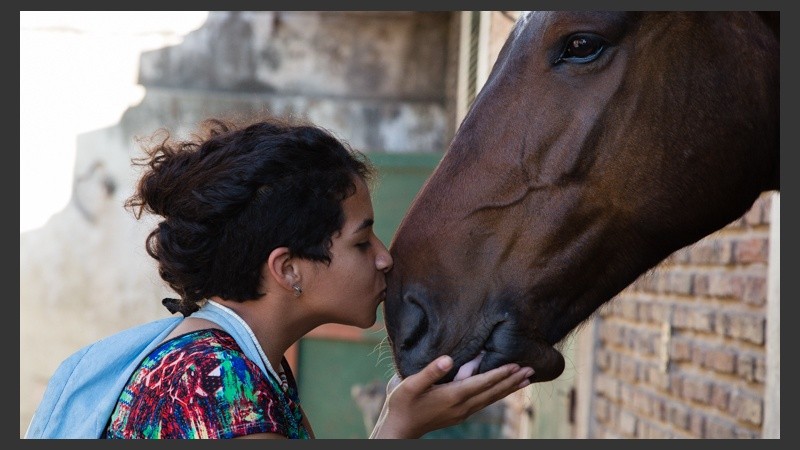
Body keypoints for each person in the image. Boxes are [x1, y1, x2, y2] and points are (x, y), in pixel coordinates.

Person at [98, 116, 534, 439]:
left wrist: (393, 418)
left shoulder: (247, 366)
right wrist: (399, 428)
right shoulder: (213, 382)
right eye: (362, 243)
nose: (385, 259)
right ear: (289, 269)